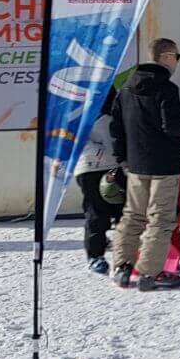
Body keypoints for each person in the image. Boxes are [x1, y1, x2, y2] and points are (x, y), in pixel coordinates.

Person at [109, 38, 180, 292]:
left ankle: (122, 267)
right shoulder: (166, 88)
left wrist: (122, 157)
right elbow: (171, 126)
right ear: (167, 57)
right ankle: (149, 272)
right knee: (160, 219)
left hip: (136, 163)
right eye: (176, 57)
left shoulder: (126, 87)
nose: (177, 62)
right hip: (164, 164)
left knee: (132, 215)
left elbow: (117, 127)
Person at [73, 92, 123, 274]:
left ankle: (126, 253)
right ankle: (95, 255)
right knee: (96, 214)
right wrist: (102, 153)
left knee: (125, 212)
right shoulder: (81, 111)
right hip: (90, 168)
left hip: (117, 166)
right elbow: (76, 140)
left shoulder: (117, 111)